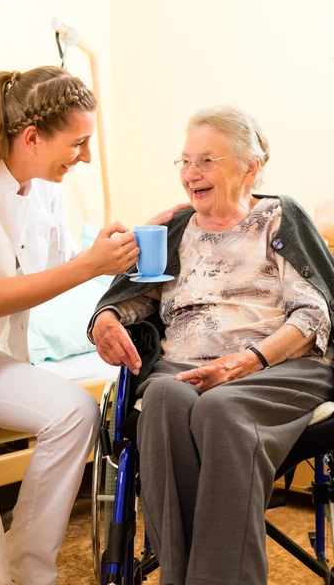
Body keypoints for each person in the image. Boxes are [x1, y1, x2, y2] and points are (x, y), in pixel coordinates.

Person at [0, 66, 188, 585]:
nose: (86, 157)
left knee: (74, 412)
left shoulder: (42, 185)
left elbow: (66, 267)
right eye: (79, 143)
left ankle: (29, 569)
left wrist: (136, 244)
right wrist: (87, 266)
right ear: (31, 137)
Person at [89, 106, 334, 585]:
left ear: (250, 167)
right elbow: (136, 297)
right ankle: (180, 575)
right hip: (181, 365)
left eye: (206, 161)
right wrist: (106, 318)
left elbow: (314, 313)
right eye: (184, 161)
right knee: (161, 397)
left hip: (278, 367)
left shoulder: (280, 217)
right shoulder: (175, 228)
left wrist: (246, 361)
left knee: (220, 409)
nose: (190, 174)